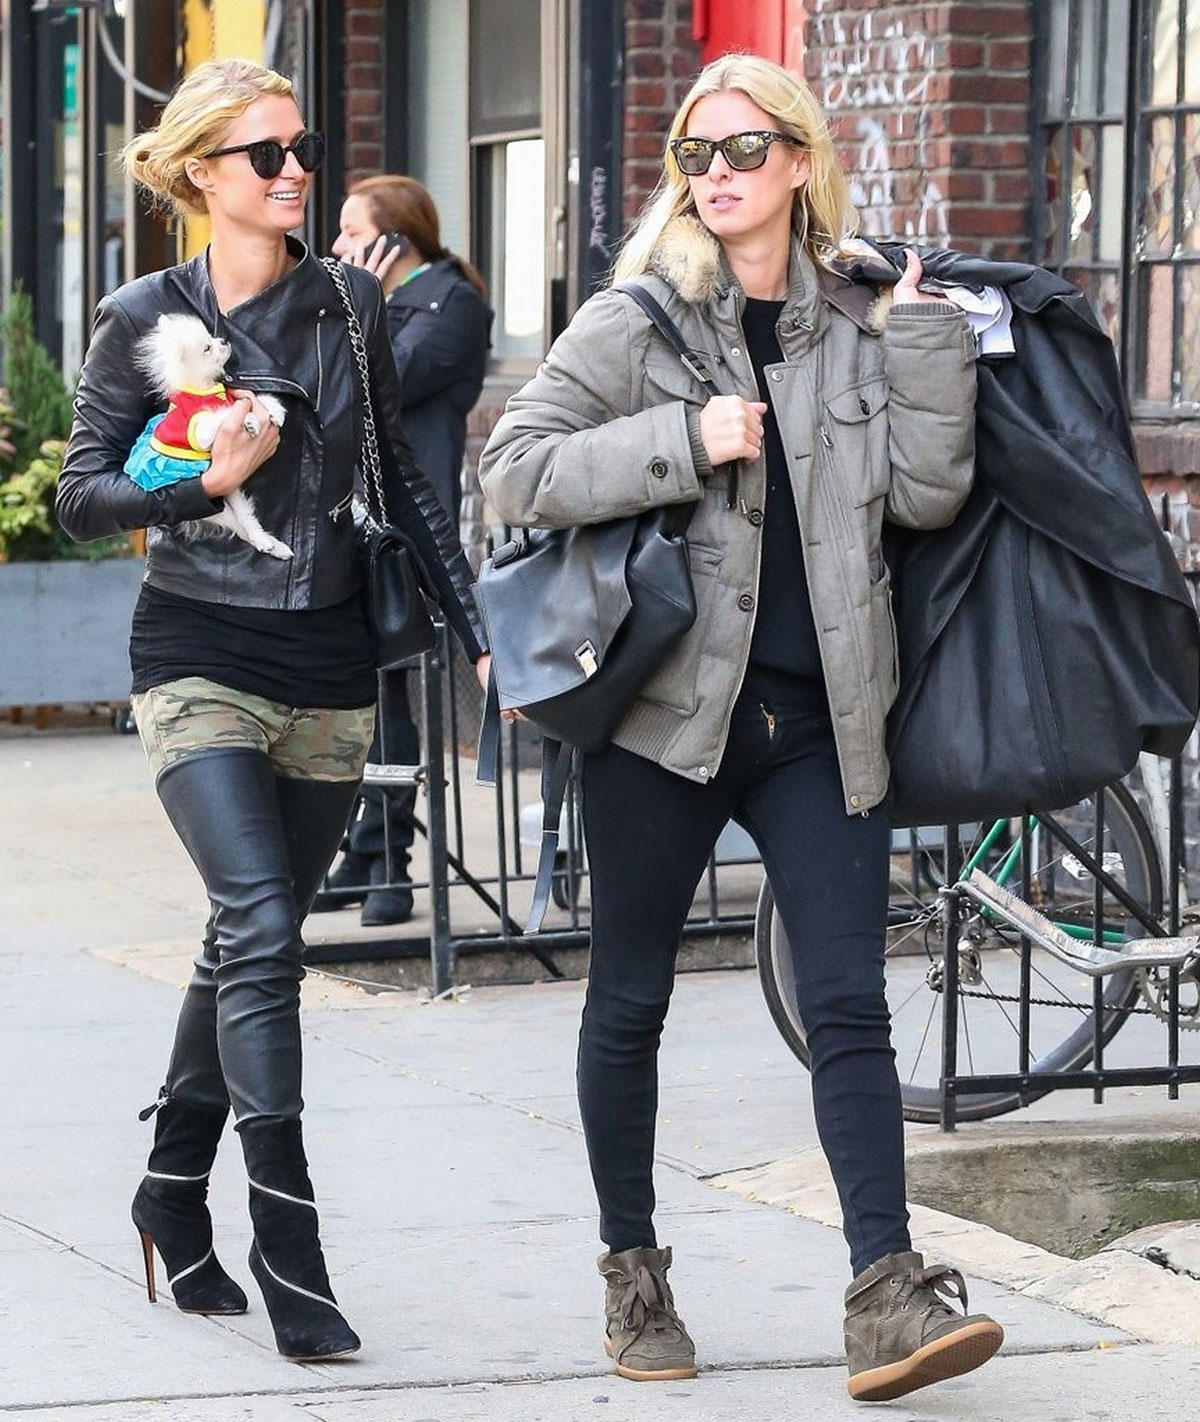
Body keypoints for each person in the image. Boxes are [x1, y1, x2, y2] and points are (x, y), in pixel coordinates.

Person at [479, 53, 1003, 1403]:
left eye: (744, 149)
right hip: (664, 720)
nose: (716, 174)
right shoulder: (636, 322)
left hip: (823, 723)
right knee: (630, 1001)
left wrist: (926, 340)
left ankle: (886, 1290)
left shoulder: (860, 323)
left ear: (800, 162)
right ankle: (634, 1275)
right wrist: (680, 437)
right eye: (695, 154)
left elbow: (928, 496)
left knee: (849, 1005)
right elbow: (512, 471)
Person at [56, 59, 489, 1362]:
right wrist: (198, 487)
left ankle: (167, 1185)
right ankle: (289, 1240)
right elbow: (81, 497)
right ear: (202, 173)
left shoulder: (349, 303)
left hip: (332, 661)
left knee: (247, 936)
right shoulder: (141, 315)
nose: (296, 170)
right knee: (258, 925)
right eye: (267, 154)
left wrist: (480, 635)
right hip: (197, 649)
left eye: (302, 148)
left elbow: (399, 478)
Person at [314, 175, 493, 926]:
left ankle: (391, 861)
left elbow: (380, 381)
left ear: (397, 239)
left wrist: (364, 302)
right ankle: (365, 852)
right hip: (348, 517)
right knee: (359, 691)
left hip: (407, 528)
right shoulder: (369, 302)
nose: (337, 247)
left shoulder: (451, 305)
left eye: (353, 233)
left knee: (390, 693)